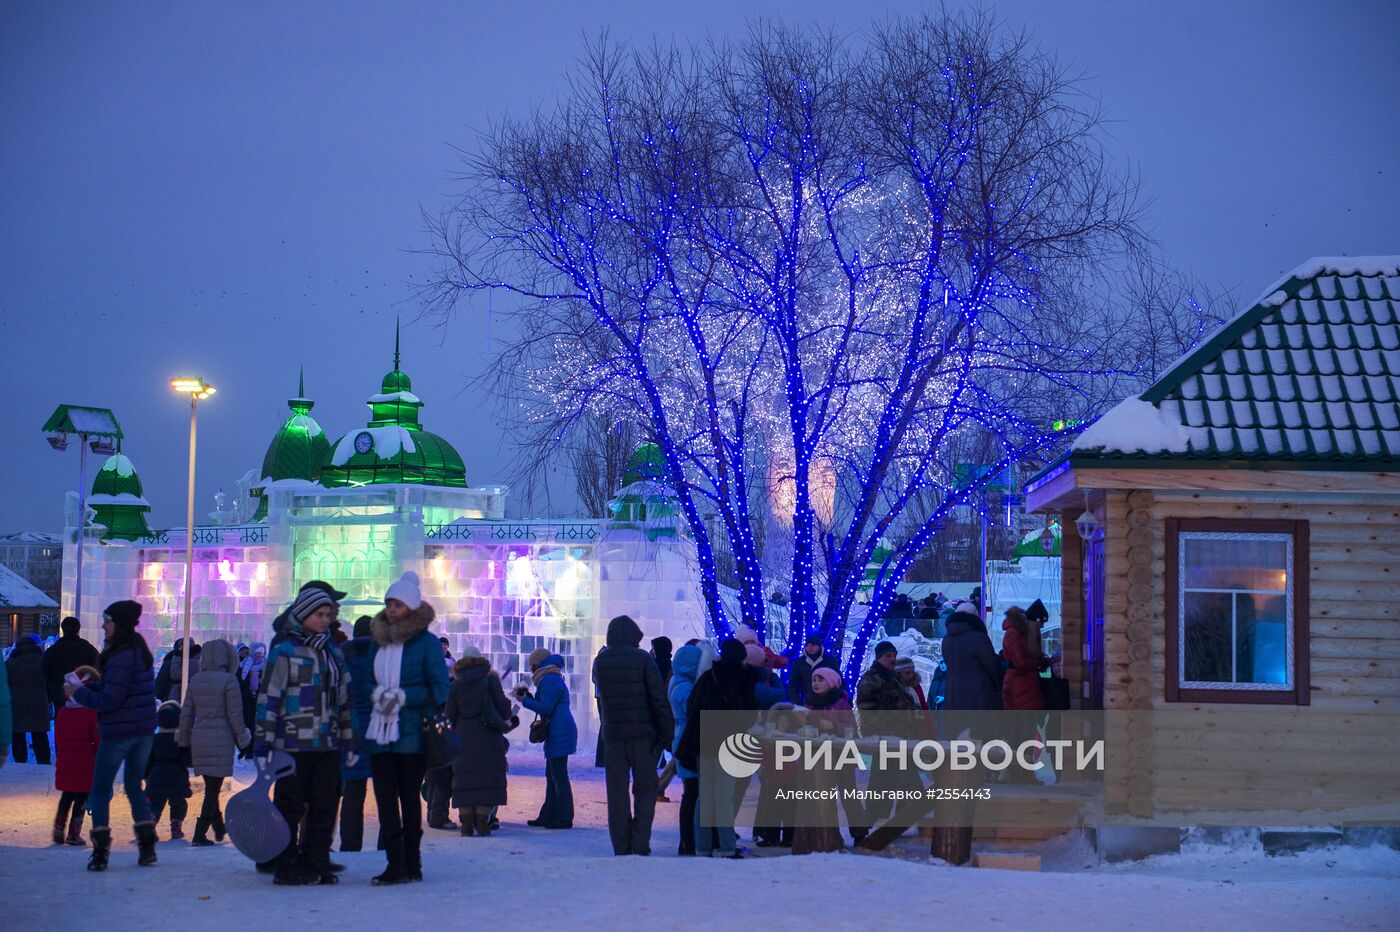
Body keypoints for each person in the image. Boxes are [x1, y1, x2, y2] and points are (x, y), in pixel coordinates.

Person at [254, 587, 356, 886]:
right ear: (303, 615)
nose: (325, 620)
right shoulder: (284, 652)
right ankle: (286, 863)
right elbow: (269, 698)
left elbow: (345, 698)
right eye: (319, 615)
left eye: (328, 615)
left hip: (327, 742)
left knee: (324, 805)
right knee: (290, 805)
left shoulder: (332, 653)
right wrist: (263, 743)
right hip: (292, 742)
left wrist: (349, 738)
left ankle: (317, 860)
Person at [364, 571, 451, 885]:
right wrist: (378, 695)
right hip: (380, 733)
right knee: (385, 801)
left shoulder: (426, 644)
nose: (391, 609)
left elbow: (440, 689)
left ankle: (412, 863)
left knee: (409, 799)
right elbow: (367, 681)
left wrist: (402, 697)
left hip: (412, 734)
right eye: (388, 603)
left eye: (397, 604)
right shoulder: (378, 642)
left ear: (411, 608)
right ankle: (395, 863)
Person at [67, 600, 159, 871]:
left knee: (100, 789)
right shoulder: (138, 650)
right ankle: (147, 846)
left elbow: (111, 700)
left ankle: (101, 851)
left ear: (117, 624)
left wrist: (78, 693)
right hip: (143, 730)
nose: (103, 626)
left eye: (106, 621)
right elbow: (122, 688)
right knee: (133, 787)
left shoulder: (119, 656)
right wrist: (93, 683)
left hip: (119, 731)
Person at [591, 615, 673, 856]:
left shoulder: (602, 661)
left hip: (614, 735)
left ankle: (621, 844)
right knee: (646, 789)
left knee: (616, 792)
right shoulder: (644, 660)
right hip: (643, 735)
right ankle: (639, 842)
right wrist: (666, 731)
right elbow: (657, 699)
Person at [676, 638, 757, 858]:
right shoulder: (742, 679)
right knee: (724, 797)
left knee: (704, 796)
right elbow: (749, 713)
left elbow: (693, 706)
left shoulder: (706, 677)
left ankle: (702, 847)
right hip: (729, 745)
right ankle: (728, 846)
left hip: (704, 741)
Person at [177, 638, 251, 845]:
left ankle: (219, 828)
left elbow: (186, 714)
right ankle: (200, 834)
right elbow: (235, 714)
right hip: (222, 738)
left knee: (212, 784)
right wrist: (243, 738)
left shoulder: (197, 680)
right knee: (212, 788)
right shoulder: (229, 680)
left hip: (200, 736)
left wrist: (183, 738)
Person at [446, 644, 515, 837]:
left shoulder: (456, 684)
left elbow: (449, 715)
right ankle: (483, 823)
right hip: (488, 735)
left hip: (463, 737)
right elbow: (503, 708)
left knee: (464, 779)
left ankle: (467, 825)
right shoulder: (490, 680)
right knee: (486, 777)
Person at [516, 647, 578, 829]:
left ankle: (563, 817)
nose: (530, 669)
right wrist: (528, 696)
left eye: (531, 665)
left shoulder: (549, 679)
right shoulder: (551, 677)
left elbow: (546, 708)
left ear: (538, 664)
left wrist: (525, 701)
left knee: (558, 776)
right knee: (553, 775)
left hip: (559, 731)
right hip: (558, 730)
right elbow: (546, 703)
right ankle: (549, 815)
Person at [338, 617, 376, 852]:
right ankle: (387, 843)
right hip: (381, 730)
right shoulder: (382, 656)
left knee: (353, 790)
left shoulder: (342, 657)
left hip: (351, 729)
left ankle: (350, 845)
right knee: (387, 791)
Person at [667, 641, 708, 856]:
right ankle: (688, 841)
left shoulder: (679, 681)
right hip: (687, 740)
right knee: (691, 792)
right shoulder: (684, 686)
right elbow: (694, 709)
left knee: (691, 791)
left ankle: (689, 841)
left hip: (684, 737)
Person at [52, 666, 100, 845]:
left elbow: (58, 738)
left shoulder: (62, 713)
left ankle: (58, 826)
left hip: (66, 762)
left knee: (66, 796)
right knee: (81, 799)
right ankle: (74, 833)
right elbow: (97, 739)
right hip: (85, 764)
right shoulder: (90, 714)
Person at [941, 601, 1003, 711]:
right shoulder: (979, 638)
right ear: (975, 616)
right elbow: (993, 668)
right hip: (979, 697)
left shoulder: (947, 639)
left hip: (953, 695)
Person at [146, 701, 192, 841]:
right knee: (178, 804)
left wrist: (145, 775)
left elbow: (148, 760)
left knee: (154, 804)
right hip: (177, 779)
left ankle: (151, 824)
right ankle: (176, 827)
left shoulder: (154, 740)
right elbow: (187, 761)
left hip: (156, 778)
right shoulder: (181, 740)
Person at [6, 634, 50, 764]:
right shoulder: (43, 662)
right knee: (40, 735)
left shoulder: (10, 664)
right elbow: (50, 682)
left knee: (17, 735)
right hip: (39, 705)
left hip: (17, 705)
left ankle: (20, 762)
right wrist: (49, 698)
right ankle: (43, 761)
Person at [42, 616, 99, 716]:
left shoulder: (53, 650)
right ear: (78, 629)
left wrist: (51, 693)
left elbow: (45, 673)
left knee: (63, 725)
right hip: (84, 693)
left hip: (60, 694)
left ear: (62, 628)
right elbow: (98, 668)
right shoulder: (88, 648)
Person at [270, 580, 347, 648]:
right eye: (331, 601)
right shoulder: (284, 645)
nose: (338, 605)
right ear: (310, 608)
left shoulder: (332, 637)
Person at [1000, 607, 1046, 712]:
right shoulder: (1014, 633)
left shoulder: (1018, 633)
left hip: (1023, 681)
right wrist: (1036, 663)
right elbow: (1020, 662)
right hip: (1019, 682)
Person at [789, 633, 839, 707]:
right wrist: (797, 703)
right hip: (806, 702)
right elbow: (793, 685)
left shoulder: (829, 661)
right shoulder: (799, 662)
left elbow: (837, 681)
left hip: (827, 703)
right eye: (807, 645)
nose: (810, 648)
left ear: (819, 647)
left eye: (813, 645)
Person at [237, 641, 267, 749]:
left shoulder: (263, 663)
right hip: (246, 697)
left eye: (246, 649)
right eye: (242, 650)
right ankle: (248, 746)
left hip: (259, 697)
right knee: (248, 721)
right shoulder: (241, 666)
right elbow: (240, 681)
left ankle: (254, 745)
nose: (245, 651)